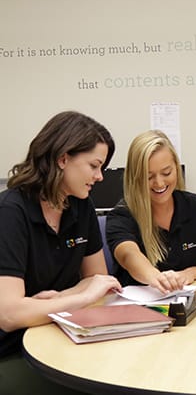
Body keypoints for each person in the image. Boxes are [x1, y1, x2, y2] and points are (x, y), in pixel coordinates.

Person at [0, 111, 121, 394]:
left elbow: (98, 283)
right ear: (63, 158)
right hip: (11, 348)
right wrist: (81, 297)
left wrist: (64, 298)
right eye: (94, 165)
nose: (100, 176)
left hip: (59, 334)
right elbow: (9, 314)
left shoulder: (81, 207)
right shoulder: (10, 212)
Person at [106, 130, 196, 292]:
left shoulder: (194, 206)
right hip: (140, 308)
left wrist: (191, 273)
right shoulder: (122, 215)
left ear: (176, 167)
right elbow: (128, 255)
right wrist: (158, 278)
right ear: (135, 177)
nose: (159, 183)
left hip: (185, 301)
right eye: (149, 177)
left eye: (166, 172)